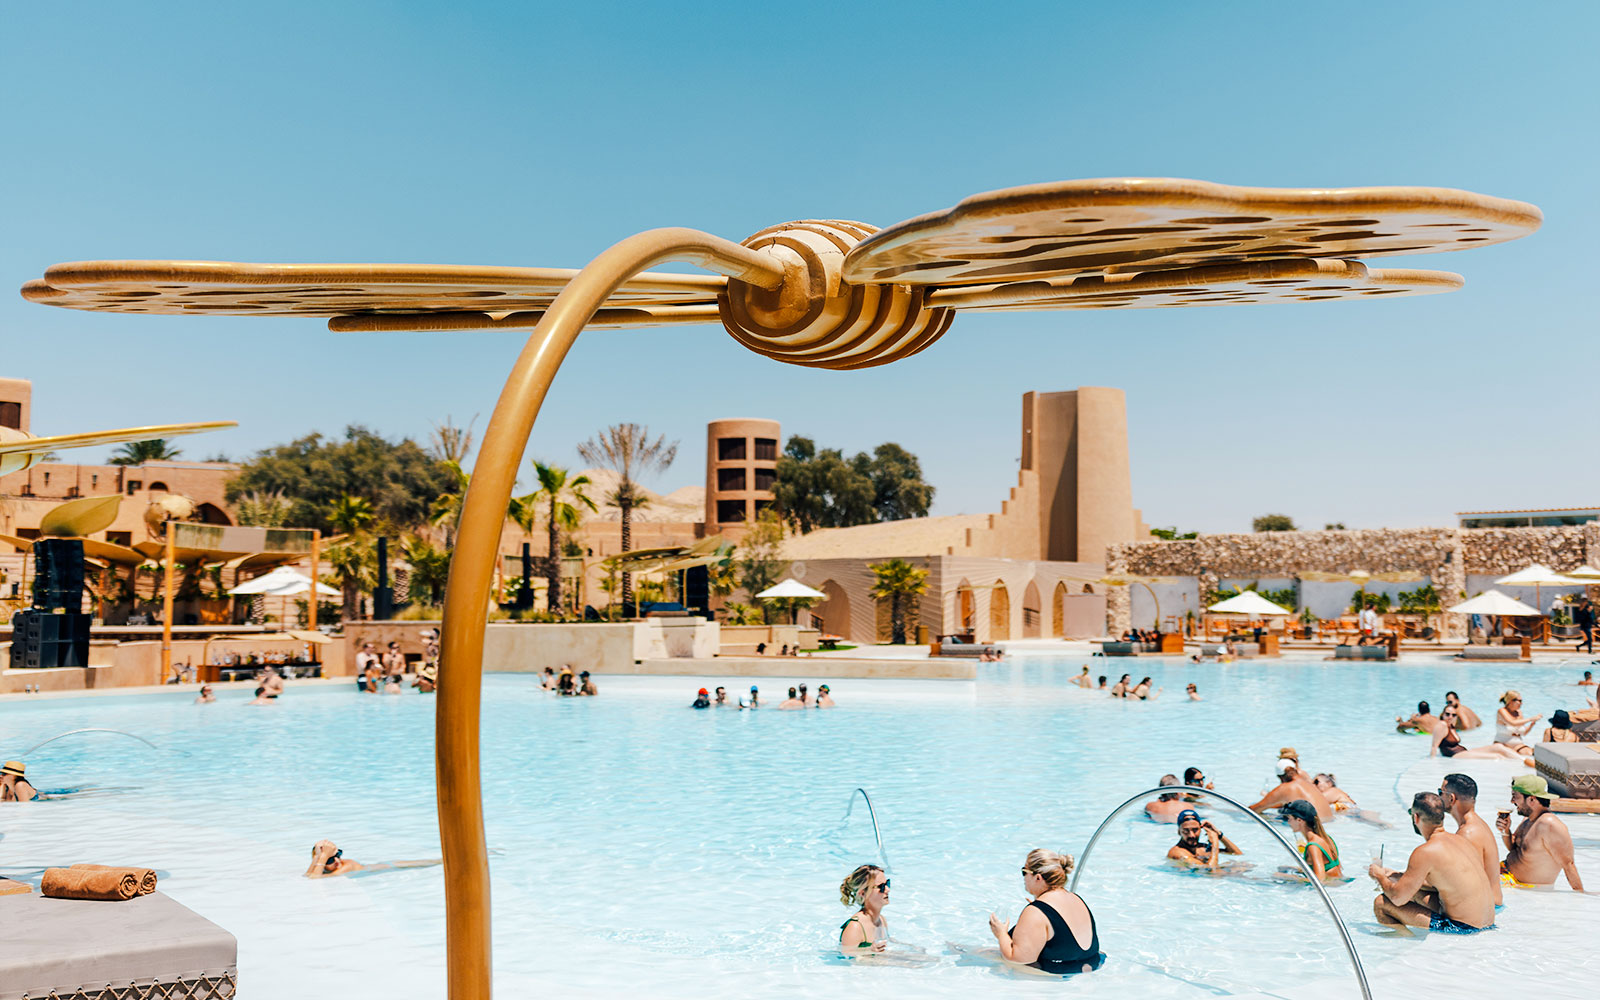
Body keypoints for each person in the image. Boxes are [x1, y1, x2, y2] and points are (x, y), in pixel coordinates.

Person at [1368, 792, 1494, 933]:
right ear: (1442, 817)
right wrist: (1397, 877)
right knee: (1415, 893)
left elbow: (1398, 898)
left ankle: (1404, 941)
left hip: (1463, 929)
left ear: (1416, 817)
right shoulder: (1461, 840)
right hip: (1488, 923)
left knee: (1381, 903)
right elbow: (1446, 882)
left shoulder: (1425, 851)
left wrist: (1379, 876)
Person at [989, 849, 1103, 974]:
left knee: (979, 956)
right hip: (1089, 968)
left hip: (1056, 979)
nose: (1023, 878)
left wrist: (1000, 934)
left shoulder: (1036, 912)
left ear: (1038, 877)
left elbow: (1017, 959)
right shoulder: (1075, 898)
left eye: (1024, 872)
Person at [1498, 775, 1584, 891]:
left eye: (1515, 797)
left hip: (1521, 886)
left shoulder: (1550, 825)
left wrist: (1580, 895)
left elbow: (1568, 865)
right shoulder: (1529, 820)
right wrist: (1505, 830)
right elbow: (1514, 849)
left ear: (1532, 800)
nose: (1512, 801)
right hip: (1505, 874)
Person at [1438, 773, 1501, 907]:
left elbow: (1463, 882)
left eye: (1440, 792)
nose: (1438, 798)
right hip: (1490, 903)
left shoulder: (1468, 833)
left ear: (1451, 798)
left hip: (1485, 907)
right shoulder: (1476, 824)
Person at [304, 839, 442, 879]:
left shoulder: (346, 867)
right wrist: (318, 857)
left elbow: (314, 879)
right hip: (376, 866)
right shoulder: (326, 866)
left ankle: (441, 861)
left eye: (338, 856)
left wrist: (322, 858)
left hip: (384, 867)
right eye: (330, 860)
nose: (337, 862)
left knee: (423, 864)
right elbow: (308, 875)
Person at [1430, 705, 1525, 759]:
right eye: (1447, 714)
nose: (1450, 717)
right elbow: (1434, 746)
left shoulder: (1451, 725)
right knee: (1497, 756)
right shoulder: (1441, 725)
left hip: (1463, 751)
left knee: (1498, 747)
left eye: (1453, 715)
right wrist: (1432, 763)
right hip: (1455, 755)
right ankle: (1520, 764)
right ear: (1443, 714)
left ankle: (1523, 760)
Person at [1251, 758, 1332, 819]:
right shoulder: (1310, 784)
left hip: (1313, 827)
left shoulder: (1285, 788)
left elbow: (1254, 810)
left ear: (1280, 777)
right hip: (1328, 823)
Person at [1282, 799, 1341, 880]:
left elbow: (1319, 880)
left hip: (1329, 887)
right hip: (1337, 883)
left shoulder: (1313, 846)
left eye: (1289, 818)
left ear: (1299, 820)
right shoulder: (1325, 838)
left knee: (1276, 876)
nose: (1288, 822)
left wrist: (1292, 878)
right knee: (1283, 868)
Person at [837, 864, 889, 955]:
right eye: (881, 887)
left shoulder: (881, 919)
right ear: (862, 893)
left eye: (887, 884)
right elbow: (847, 960)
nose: (887, 889)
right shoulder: (855, 927)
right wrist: (869, 952)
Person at [1167, 809, 1242, 870]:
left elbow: (1236, 853)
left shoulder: (1202, 848)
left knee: (1242, 865)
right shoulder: (1177, 852)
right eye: (1186, 831)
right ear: (1179, 832)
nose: (1192, 835)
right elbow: (1210, 870)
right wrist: (1215, 842)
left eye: (1195, 830)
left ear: (1201, 829)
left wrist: (1218, 834)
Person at [1494, 691, 1539, 756]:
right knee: (1512, 757)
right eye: (1520, 701)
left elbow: (1524, 733)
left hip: (1518, 745)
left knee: (1531, 754)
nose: (1521, 703)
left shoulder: (1519, 712)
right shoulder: (1501, 711)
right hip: (1502, 744)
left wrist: (1532, 724)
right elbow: (1512, 723)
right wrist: (1530, 719)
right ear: (1510, 701)